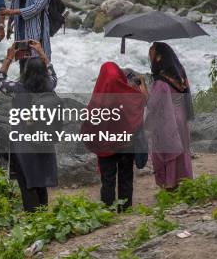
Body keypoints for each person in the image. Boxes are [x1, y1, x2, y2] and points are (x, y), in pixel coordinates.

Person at [0, 40, 59, 212]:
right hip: (43, 140)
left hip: (23, 141)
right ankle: (43, 213)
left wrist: (8, 58)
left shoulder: (17, 88)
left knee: (27, 180)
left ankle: (33, 217)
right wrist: (42, 53)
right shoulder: (50, 85)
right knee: (40, 179)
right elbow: (53, 73)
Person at [81, 62, 147, 211]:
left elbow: (90, 122)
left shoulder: (99, 96)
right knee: (126, 177)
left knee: (108, 180)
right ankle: (126, 209)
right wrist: (142, 82)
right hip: (126, 143)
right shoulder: (128, 94)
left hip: (105, 146)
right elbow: (141, 101)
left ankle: (108, 210)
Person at [145, 42, 194, 190]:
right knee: (182, 149)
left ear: (159, 57)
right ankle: (183, 181)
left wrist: (142, 87)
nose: (150, 59)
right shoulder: (179, 73)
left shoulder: (161, 81)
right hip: (181, 117)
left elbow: (152, 105)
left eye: (152, 55)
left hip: (168, 120)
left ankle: (170, 184)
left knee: (168, 151)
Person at [1, 0, 52, 74]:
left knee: (37, 58)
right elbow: (14, 2)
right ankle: (23, 85)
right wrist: (9, 25)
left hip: (37, 29)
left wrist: (11, 11)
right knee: (22, 56)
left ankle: (40, 87)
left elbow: (35, 8)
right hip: (20, 28)